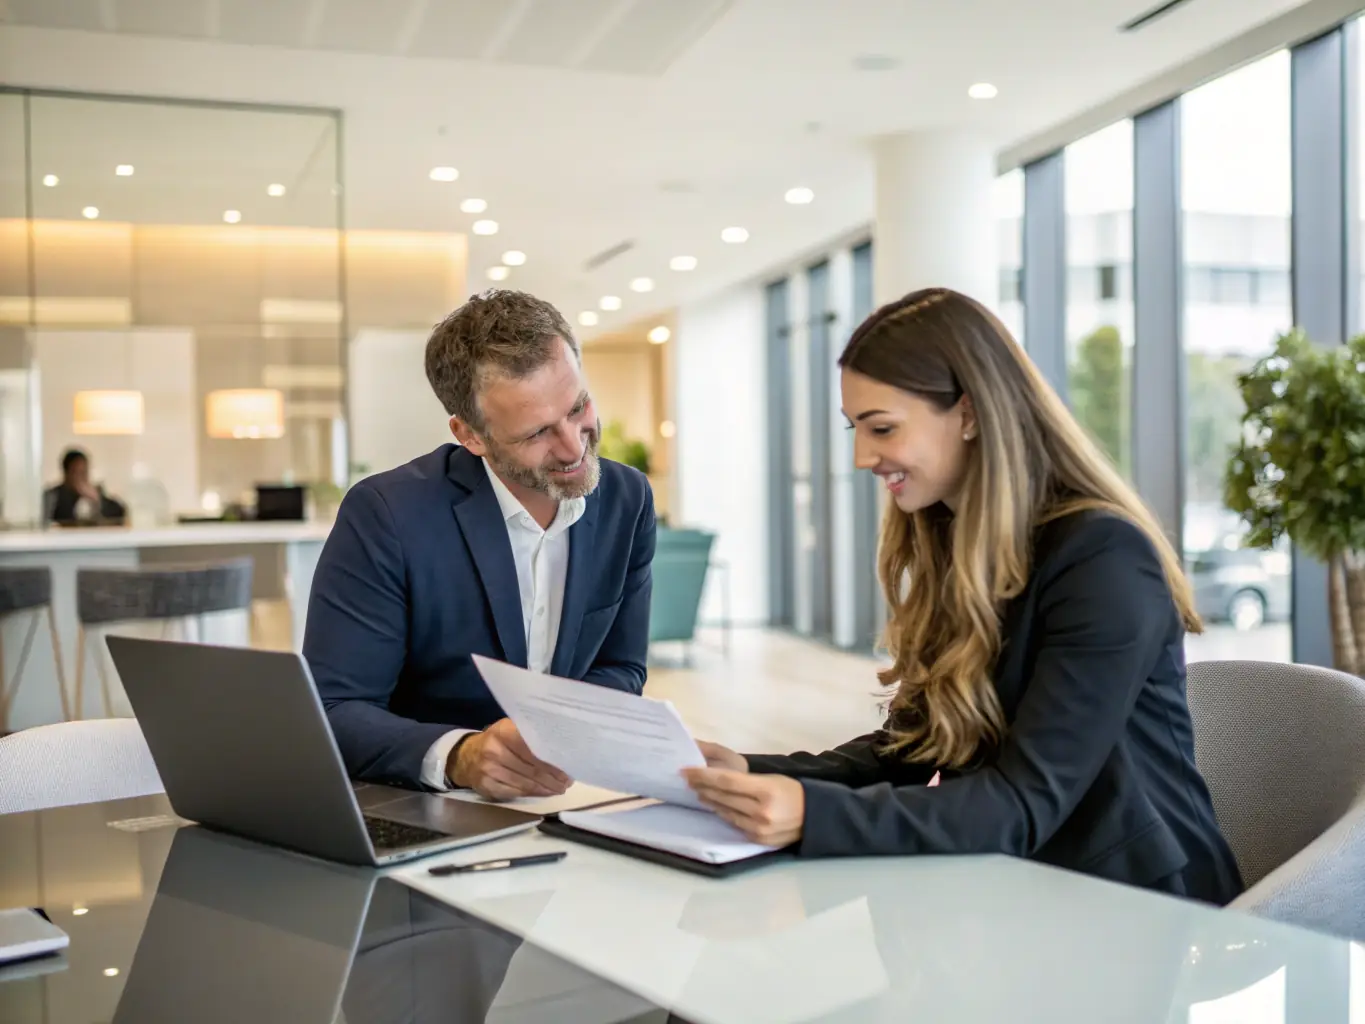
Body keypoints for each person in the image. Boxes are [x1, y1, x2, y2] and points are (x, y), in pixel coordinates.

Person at [684, 287, 1244, 905]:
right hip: (1016, 884)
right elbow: (911, 747)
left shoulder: (1103, 558)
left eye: (882, 428)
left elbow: (1024, 801)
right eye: (856, 428)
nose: (862, 455)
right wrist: (751, 773)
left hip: (1136, 908)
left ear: (970, 414)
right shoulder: (955, 543)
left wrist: (814, 814)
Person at [305, 290, 655, 797]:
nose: (574, 446)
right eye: (537, 433)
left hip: (567, 800)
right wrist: (460, 755)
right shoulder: (387, 514)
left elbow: (622, 667)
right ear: (470, 435)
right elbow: (332, 709)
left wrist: (555, 731)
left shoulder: (628, 498)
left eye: (578, 407)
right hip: (424, 807)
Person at [44, 448, 126, 524]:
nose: (81, 477)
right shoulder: (54, 496)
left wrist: (97, 500)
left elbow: (119, 512)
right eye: (76, 472)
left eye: (84, 472)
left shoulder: (95, 493)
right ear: (66, 473)